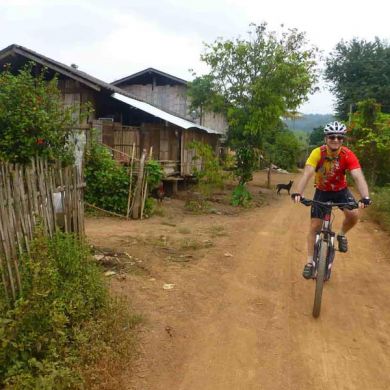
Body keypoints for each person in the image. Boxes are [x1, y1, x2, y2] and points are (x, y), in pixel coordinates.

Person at [291, 121, 371, 279]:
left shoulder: (347, 155)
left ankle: (341, 235)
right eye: (332, 136)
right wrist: (298, 192)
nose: (335, 139)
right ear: (326, 138)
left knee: (354, 214)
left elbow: (357, 175)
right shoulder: (317, 153)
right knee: (315, 226)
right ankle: (309, 262)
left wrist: (365, 196)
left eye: (339, 137)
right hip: (322, 191)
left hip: (341, 191)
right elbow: (307, 173)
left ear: (343, 139)